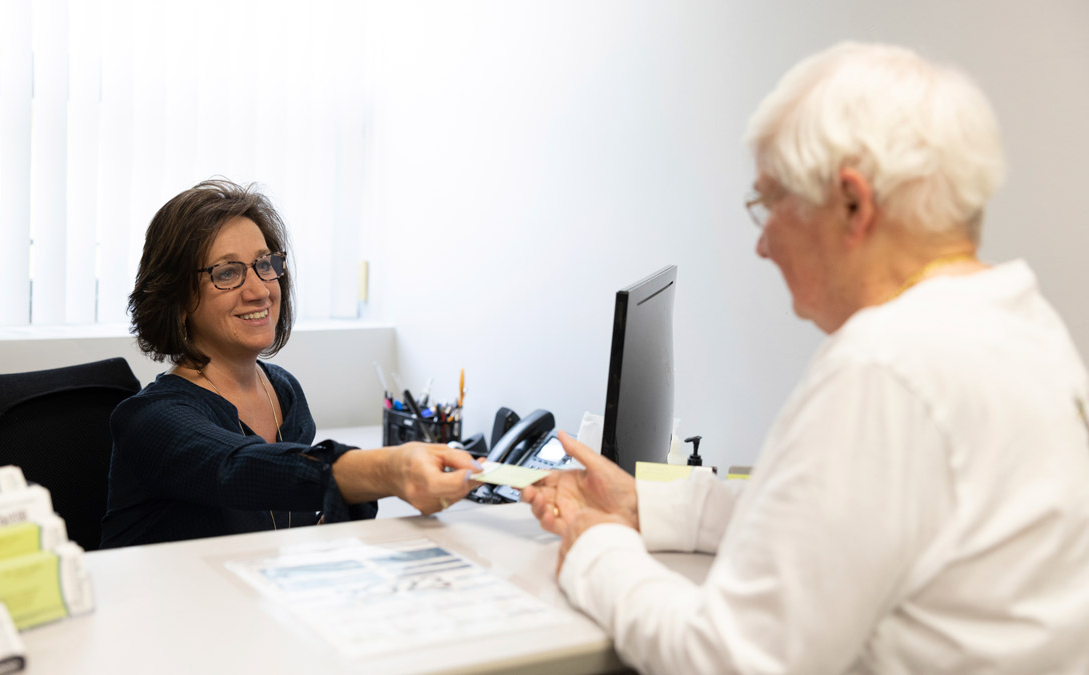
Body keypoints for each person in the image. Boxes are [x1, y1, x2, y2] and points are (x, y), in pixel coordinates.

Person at [521, 42, 1089, 673]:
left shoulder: (886, 368)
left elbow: (729, 661)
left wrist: (597, 550)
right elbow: (833, 535)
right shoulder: (1021, 326)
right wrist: (645, 506)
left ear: (853, 204)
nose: (762, 245)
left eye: (769, 204)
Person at [101, 179, 480, 548]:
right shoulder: (148, 420)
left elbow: (290, 514)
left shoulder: (281, 390)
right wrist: (389, 470)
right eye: (227, 273)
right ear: (178, 297)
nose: (260, 290)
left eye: (265, 264)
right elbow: (238, 469)